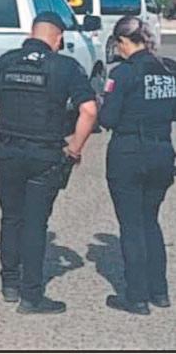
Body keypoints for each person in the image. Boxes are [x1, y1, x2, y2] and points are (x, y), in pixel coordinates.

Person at [0, 11, 98, 314]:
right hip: (45, 155)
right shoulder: (65, 66)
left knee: (10, 217)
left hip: (8, 152)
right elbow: (89, 111)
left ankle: (9, 283)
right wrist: (75, 149)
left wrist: (10, 105)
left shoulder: (6, 62)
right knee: (35, 223)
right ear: (58, 38)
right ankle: (31, 296)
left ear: (32, 34)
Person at [99, 16, 175, 315]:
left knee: (131, 225)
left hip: (129, 152)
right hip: (161, 150)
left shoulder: (123, 73)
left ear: (122, 41)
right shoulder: (168, 70)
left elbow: (108, 119)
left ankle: (136, 297)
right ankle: (160, 291)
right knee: (150, 221)